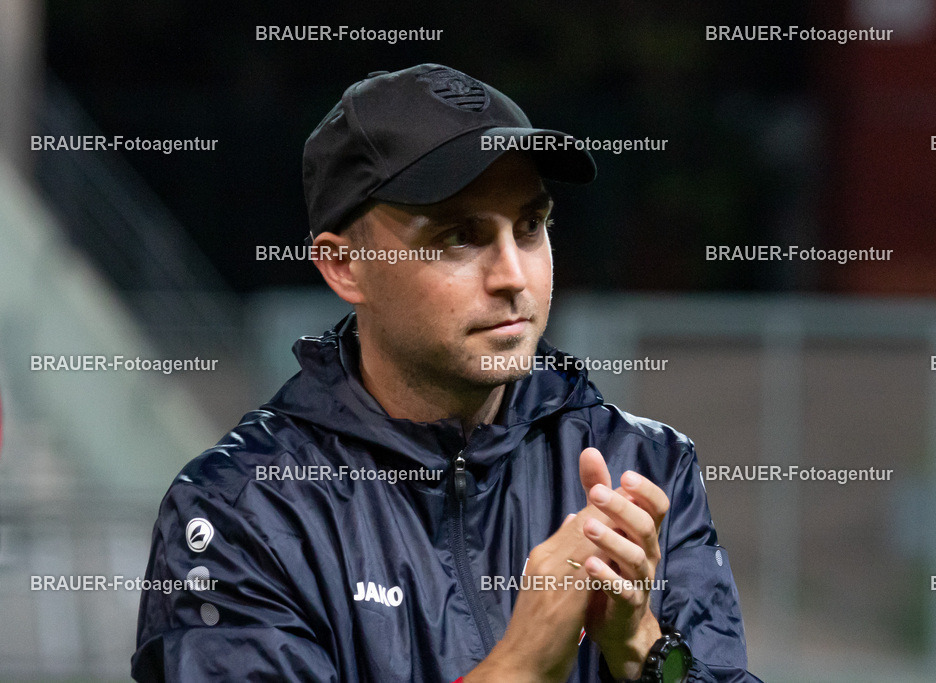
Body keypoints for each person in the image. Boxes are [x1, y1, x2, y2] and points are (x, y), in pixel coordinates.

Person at [132, 64, 760, 682]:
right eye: (461, 236)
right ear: (344, 266)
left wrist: (645, 649)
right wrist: (519, 667)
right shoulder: (242, 510)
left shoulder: (642, 467)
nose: (514, 276)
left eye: (531, 226)